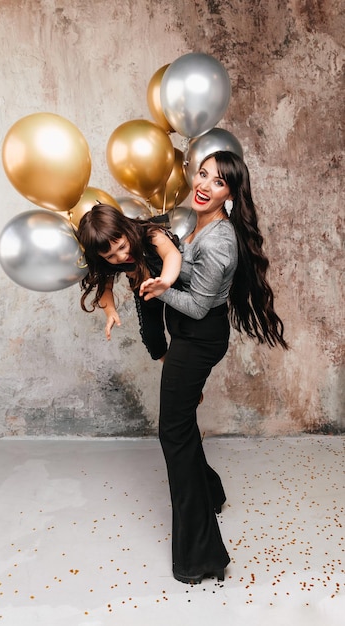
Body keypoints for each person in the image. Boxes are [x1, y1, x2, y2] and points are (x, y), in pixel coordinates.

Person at [140, 150, 288, 585]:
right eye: (202, 173)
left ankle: (201, 555)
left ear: (231, 192)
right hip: (190, 336)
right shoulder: (201, 221)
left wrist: (157, 287)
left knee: (173, 430)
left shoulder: (221, 241)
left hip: (198, 339)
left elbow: (198, 305)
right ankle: (213, 491)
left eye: (218, 181)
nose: (204, 185)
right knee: (181, 426)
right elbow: (186, 269)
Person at [77, 203, 182, 361]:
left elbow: (171, 255)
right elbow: (105, 287)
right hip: (144, 289)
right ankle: (168, 365)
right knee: (150, 336)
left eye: (122, 247)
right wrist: (110, 311)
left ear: (126, 229)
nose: (120, 257)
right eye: (110, 256)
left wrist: (165, 281)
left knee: (180, 327)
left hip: (174, 281)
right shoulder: (109, 261)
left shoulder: (150, 234)